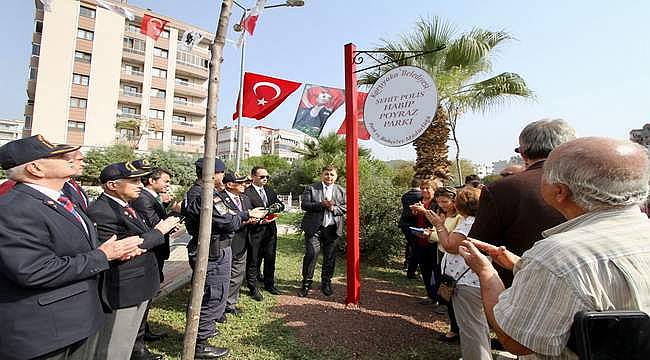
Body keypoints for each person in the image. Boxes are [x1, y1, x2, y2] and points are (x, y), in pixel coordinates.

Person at [460, 137, 650, 359]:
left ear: (560, 191)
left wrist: (486, 273)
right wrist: (522, 267)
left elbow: (517, 341)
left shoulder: (557, 256)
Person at [0, 135, 144, 360]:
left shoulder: (61, 200)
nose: (71, 158)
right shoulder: (14, 208)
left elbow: (72, 247)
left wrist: (111, 252)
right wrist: (102, 256)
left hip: (76, 321)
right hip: (45, 332)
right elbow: (33, 270)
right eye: (59, 156)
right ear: (36, 168)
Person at [87, 162, 180, 360]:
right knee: (114, 345)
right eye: (134, 180)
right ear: (112, 185)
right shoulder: (102, 211)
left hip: (138, 282)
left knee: (127, 340)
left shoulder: (126, 205)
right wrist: (160, 231)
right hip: (123, 285)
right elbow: (128, 247)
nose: (140, 184)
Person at [468, 118, 576, 286]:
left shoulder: (503, 189)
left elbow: (478, 244)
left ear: (523, 153)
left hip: (520, 288)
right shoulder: (593, 182)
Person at [183, 159, 266, 359]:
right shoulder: (204, 194)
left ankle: (201, 332)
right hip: (213, 251)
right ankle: (200, 344)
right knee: (214, 296)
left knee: (211, 294)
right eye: (221, 173)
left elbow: (227, 216)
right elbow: (227, 221)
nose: (223, 177)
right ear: (213, 174)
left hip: (215, 248)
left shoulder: (200, 191)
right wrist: (246, 214)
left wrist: (241, 216)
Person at [425, 187, 492, 359]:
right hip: (473, 280)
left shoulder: (469, 224)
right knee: (477, 325)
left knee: (470, 328)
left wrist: (438, 225)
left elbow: (449, 245)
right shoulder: (483, 221)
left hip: (467, 282)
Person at [130, 167, 174, 342]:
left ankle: (143, 330)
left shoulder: (152, 197)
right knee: (145, 295)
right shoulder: (143, 199)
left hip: (156, 250)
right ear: (152, 181)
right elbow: (154, 224)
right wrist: (173, 216)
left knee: (149, 295)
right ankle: (138, 340)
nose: (168, 185)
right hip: (150, 251)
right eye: (166, 181)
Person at [298, 165, 347, 297]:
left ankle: (326, 283)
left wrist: (332, 208)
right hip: (314, 228)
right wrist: (321, 205)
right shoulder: (312, 188)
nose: (329, 177)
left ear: (336, 177)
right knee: (311, 254)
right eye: (326, 174)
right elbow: (304, 205)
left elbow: (346, 207)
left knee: (330, 257)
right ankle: (306, 284)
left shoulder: (342, 191)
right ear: (322, 175)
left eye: (331, 175)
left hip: (332, 229)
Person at [423, 186, 462, 341]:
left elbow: (451, 239)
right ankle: (454, 326)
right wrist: (432, 233)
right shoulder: (442, 215)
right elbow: (438, 233)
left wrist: (433, 234)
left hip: (454, 258)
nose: (442, 205)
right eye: (439, 202)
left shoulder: (459, 218)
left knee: (454, 293)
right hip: (442, 255)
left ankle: (456, 329)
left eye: (445, 201)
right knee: (446, 290)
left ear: (454, 201)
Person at [244, 166, 282, 296]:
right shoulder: (247, 192)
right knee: (254, 259)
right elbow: (247, 211)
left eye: (267, 177)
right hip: (255, 231)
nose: (265, 179)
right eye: (262, 177)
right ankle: (253, 287)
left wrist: (277, 208)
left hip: (270, 230)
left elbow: (279, 204)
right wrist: (260, 220)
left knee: (270, 258)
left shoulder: (269, 190)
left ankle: (269, 284)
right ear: (253, 177)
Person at [222, 173, 256, 315]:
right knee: (223, 276)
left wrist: (258, 220)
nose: (244, 185)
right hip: (226, 242)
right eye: (241, 183)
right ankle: (219, 307)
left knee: (237, 275)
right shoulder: (219, 199)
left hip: (242, 242)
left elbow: (250, 215)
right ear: (230, 185)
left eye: (246, 182)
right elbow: (225, 222)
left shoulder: (245, 198)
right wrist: (245, 221)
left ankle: (230, 304)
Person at [409, 178, 441, 304]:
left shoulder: (437, 204)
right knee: (425, 269)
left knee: (436, 270)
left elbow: (437, 221)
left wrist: (424, 212)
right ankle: (430, 295)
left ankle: (439, 298)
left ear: (434, 190)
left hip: (433, 241)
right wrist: (414, 212)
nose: (424, 190)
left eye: (427, 188)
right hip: (420, 239)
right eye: (422, 188)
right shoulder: (419, 201)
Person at [398, 178, 422, 278]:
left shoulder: (405, 195)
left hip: (404, 223)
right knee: (415, 246)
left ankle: (407, 265)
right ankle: (411, 269)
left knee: (409, 244)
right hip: (414, 223)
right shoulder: (419, 196)